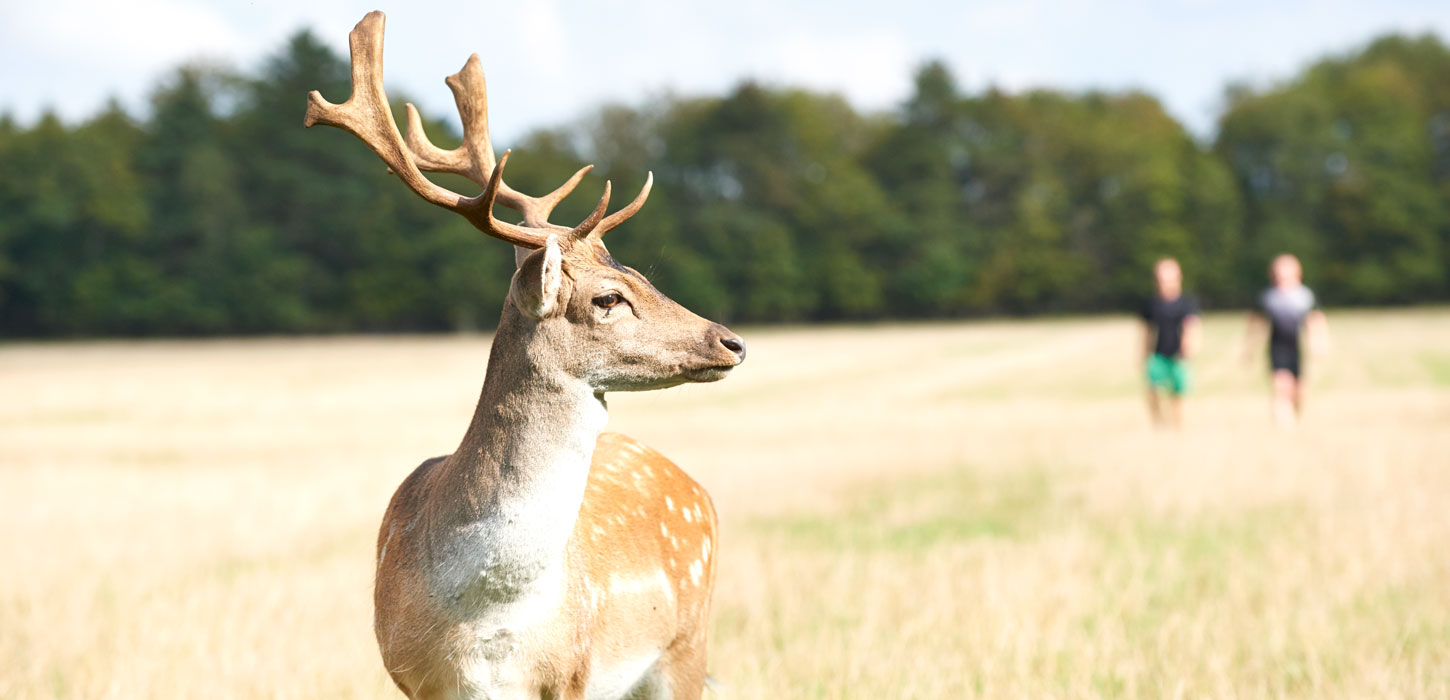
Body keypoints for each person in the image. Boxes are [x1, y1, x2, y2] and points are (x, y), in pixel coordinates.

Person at [1245, 253, 1330, 427]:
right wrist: (1250, 348)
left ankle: (1295, 417)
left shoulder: (1305, 297)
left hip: (1297, 348)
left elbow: (1316, 321)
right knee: (1281, 387)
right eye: (1277, 276)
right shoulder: (1268, 298)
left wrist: (1319, 344)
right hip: (1277, 348)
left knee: (1299, 391)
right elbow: (1256, 323)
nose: (1281, 280)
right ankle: (1284, 428)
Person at [1140, 258, 1202, 429]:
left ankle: (1178, 427)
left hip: (1179, 355)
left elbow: (1192, 326)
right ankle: (1159, 423)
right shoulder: (1151, 304)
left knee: (1178, 394)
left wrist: (1189, 349)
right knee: (1153, 390)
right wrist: (1143, 355)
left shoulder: (1187, 302)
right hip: (1158, 354)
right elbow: (1147, 331)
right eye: (1160, 279)